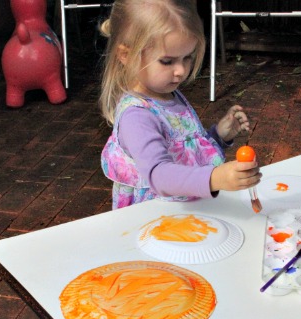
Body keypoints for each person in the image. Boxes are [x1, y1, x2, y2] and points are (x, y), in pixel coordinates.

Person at [99, 0, 261, 209]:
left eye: (187, 58)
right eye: (167, 61)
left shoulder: (168, 96)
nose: (181, 71)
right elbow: (160, 175)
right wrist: (214, 178)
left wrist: (218, 136)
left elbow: (185, 154)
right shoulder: (137, 116)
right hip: (156, 220)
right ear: (127, 56)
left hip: (183, 212)